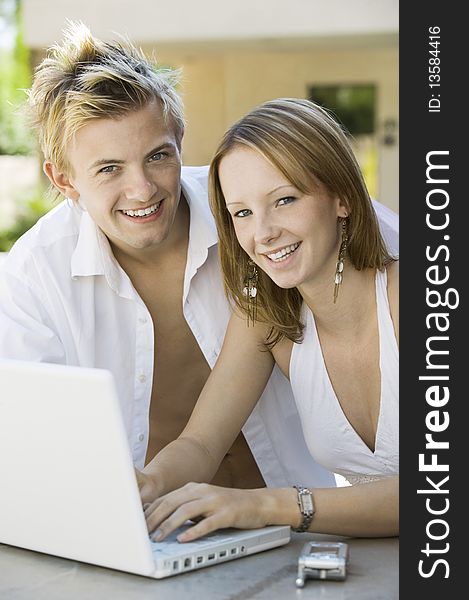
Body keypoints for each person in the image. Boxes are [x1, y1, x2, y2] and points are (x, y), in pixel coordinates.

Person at [0, 24, 397, 498]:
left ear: (180, 139)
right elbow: (25, 441)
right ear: (64, 180)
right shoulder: (34, 277)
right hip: (165, 525)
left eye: (157, 156)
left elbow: (379, 237)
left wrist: (277, 509)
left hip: (296, 521)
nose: (142, 190)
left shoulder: (253, 200)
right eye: (109, 169)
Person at [140, 98, 399, 540]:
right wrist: (146, 484)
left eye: (284, 200)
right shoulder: (268, 314)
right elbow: (200, 443)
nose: (262, 233)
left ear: (342, 198)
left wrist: (267, 504)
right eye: (242, 212)